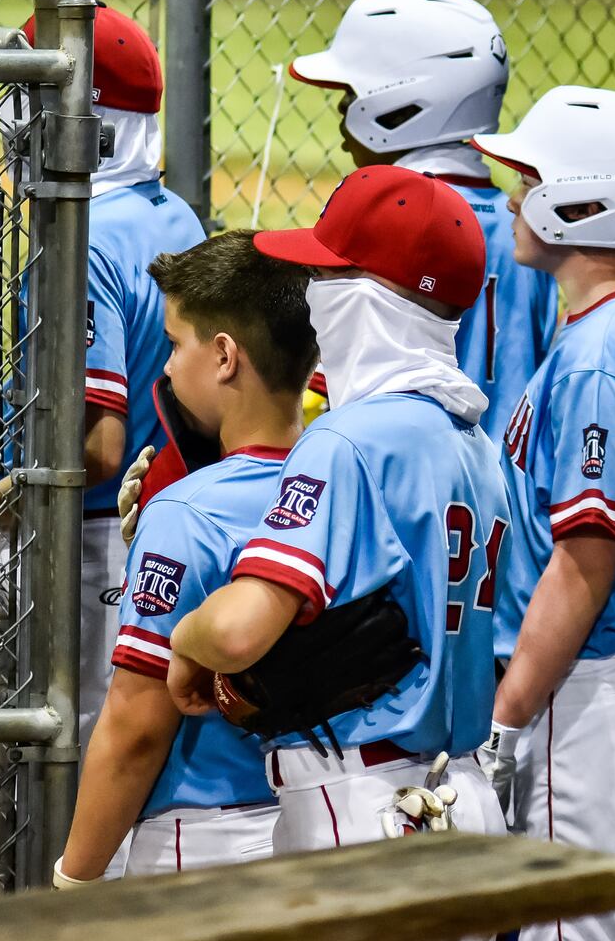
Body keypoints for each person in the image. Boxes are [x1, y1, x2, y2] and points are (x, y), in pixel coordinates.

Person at [166, 165, 509, 852]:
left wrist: (182, 639)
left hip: (360, 805)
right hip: (463, 797)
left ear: (363, 299)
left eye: (325, 278)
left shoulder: (350, 439)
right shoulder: (475, 444)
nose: (312, 297)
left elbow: (236, 634)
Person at [0, 5, 205, 753]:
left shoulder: (83, 240)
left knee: (63, 765)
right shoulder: (173, 215)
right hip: (162, 528)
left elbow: (94, 449)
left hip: (89, 547)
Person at [471, 85, 615, 941]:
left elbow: (584, 560)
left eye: (528, 178)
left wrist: (507, 718)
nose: (509, 197)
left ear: (583, 200)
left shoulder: (599, 354)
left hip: (592, 691)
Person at [52, 230, 317, 886]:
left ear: (224, 356)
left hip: (203, 839)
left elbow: (137, 726)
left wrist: (75, 879)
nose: (165, 369)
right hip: (321, 813)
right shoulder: (343, 479)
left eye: (175, 344)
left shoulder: (187, 514)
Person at [289, 0, 559, 435]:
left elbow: (321, 399)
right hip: (502, 491)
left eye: (348, 102)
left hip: (400, 480)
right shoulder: (530, 229)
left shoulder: (383, 227)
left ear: (395, 107)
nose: (340, 125)